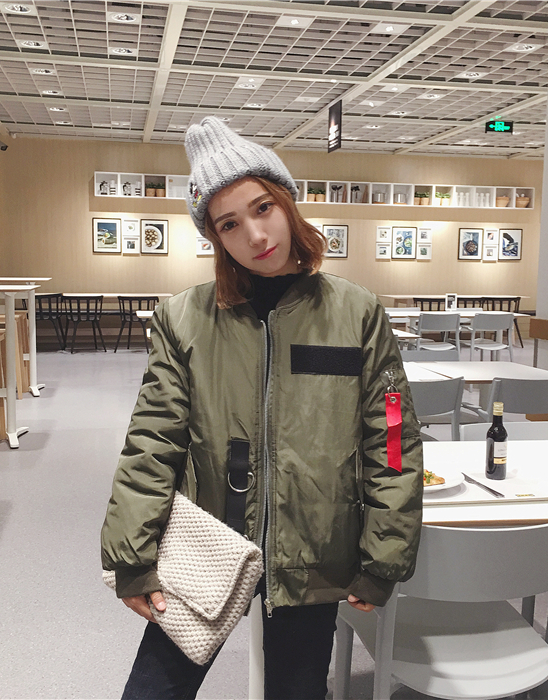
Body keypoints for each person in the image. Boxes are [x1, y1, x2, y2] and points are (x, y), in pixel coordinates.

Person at [101, 116, 423, 700]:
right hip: (207, 544)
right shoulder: (184, 320)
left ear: (286, 203)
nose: (254, 234)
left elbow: (394, 437)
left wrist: (384, 555)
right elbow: (152, 441)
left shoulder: (357, 313)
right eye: (229, 223)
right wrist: (132, 555)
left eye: (262, 208)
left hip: (316, 550)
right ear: (215, 238)